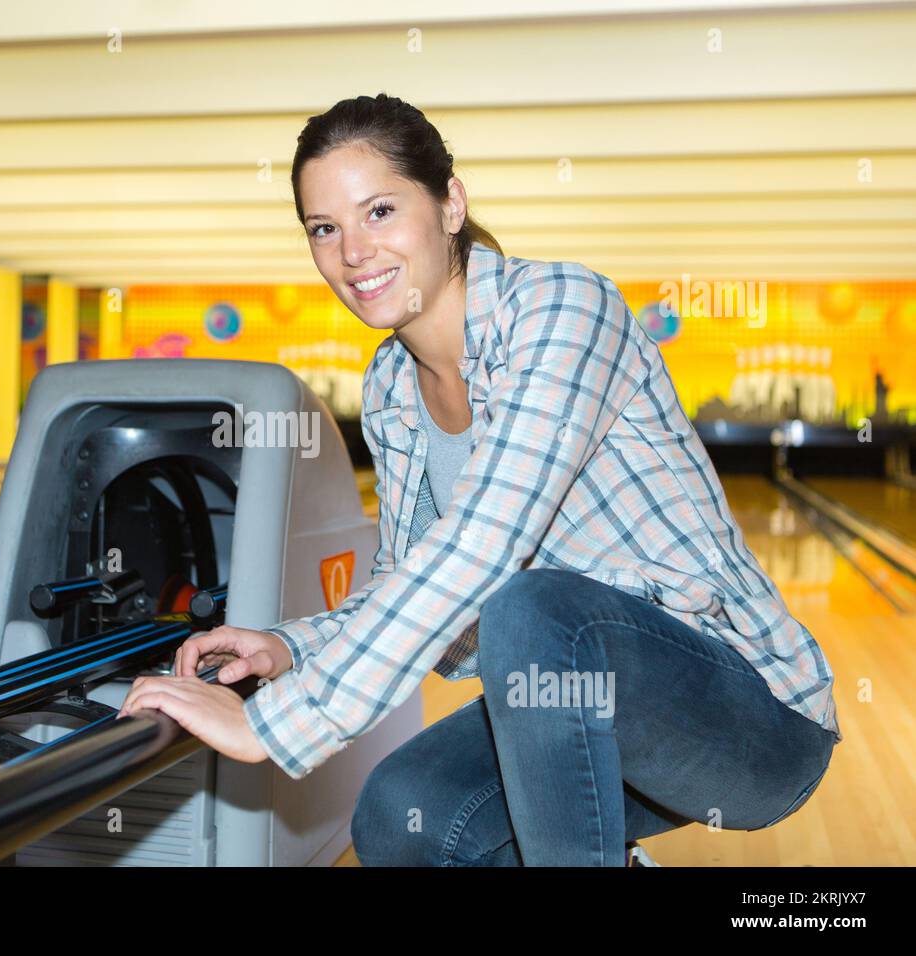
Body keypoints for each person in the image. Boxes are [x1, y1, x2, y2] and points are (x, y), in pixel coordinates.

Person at [118, 93, 842, 866]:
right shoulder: (392, 385)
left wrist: (271, 726)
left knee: (537, 611)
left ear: (450, 204)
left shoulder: (563, 309)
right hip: (570, 712)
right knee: (401, 819)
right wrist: (289, 648)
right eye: (324, 229)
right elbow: (404, 585)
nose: (353, 252)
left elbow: (485, 546)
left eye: (380, 211)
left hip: (751, 721)